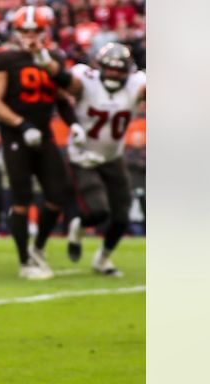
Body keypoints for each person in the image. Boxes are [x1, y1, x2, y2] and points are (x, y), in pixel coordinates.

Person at [0, 5, 81, 280]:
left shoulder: (52, 57)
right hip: (16, 135)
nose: (30, 35)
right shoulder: (4, 59)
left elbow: (71, 91)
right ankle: (25, 260)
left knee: (58, 194)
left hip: (45, 133)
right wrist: (21, 124)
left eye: (35, 30)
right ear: (17, 32)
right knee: (22, 197)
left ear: (44, 31)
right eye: (25, 30)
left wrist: (45, 61)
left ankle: (38, 248)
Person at [62, 43, 146, 277]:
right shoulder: (85, 79)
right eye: (109, 68)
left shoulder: (136, 84)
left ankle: (103, 259)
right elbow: (65, 83)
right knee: (98, 212)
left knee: (122, 216)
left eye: (119, 70)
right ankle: (79, 226)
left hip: (113, 156)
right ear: (99, 67)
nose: (114, 74)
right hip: (83, 155)